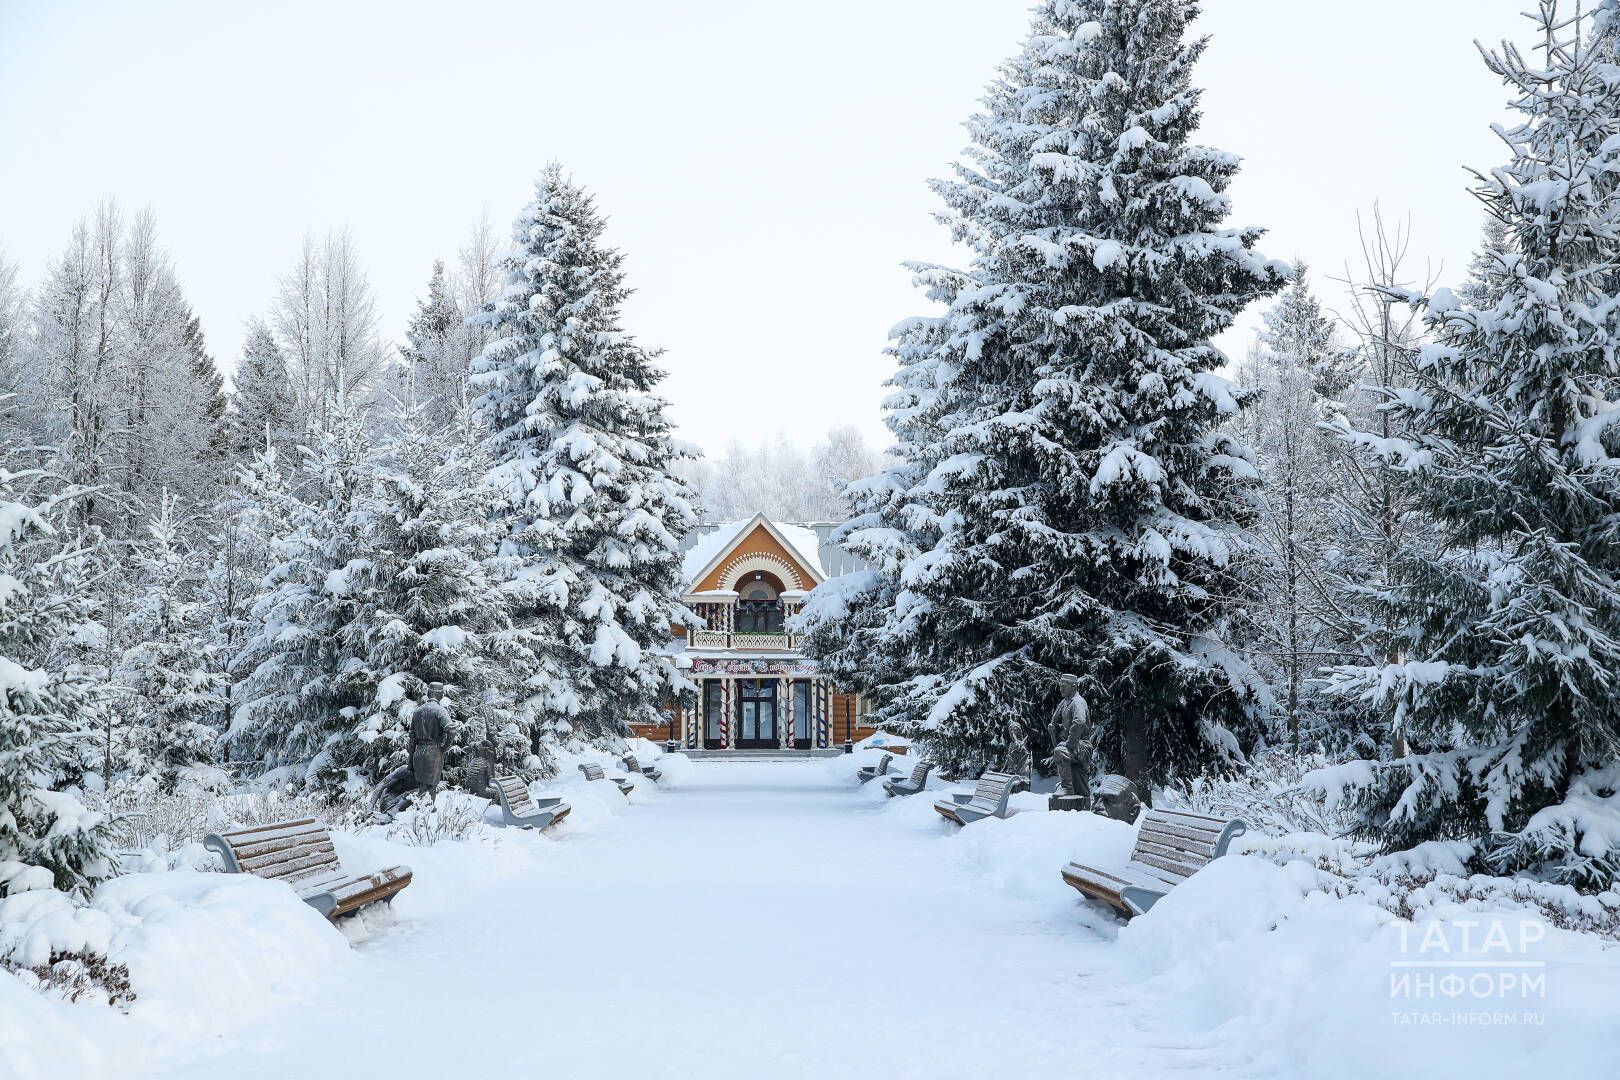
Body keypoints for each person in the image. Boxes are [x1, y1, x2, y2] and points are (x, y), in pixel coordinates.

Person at [1048, 673, 1093, 801]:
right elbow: (1062, 724)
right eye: (1060, 685)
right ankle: (1075, 791)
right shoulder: (1065, 703)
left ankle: (1067, 787)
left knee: (1060, 751)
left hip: (1082, 746)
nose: (1061, 688)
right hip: (1074, 745)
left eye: (1064, 685)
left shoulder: (1078, 702)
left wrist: (1070, 744)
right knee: (1077, 776)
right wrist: (1055, 728)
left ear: (1073, 687)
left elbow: (1079, 723)